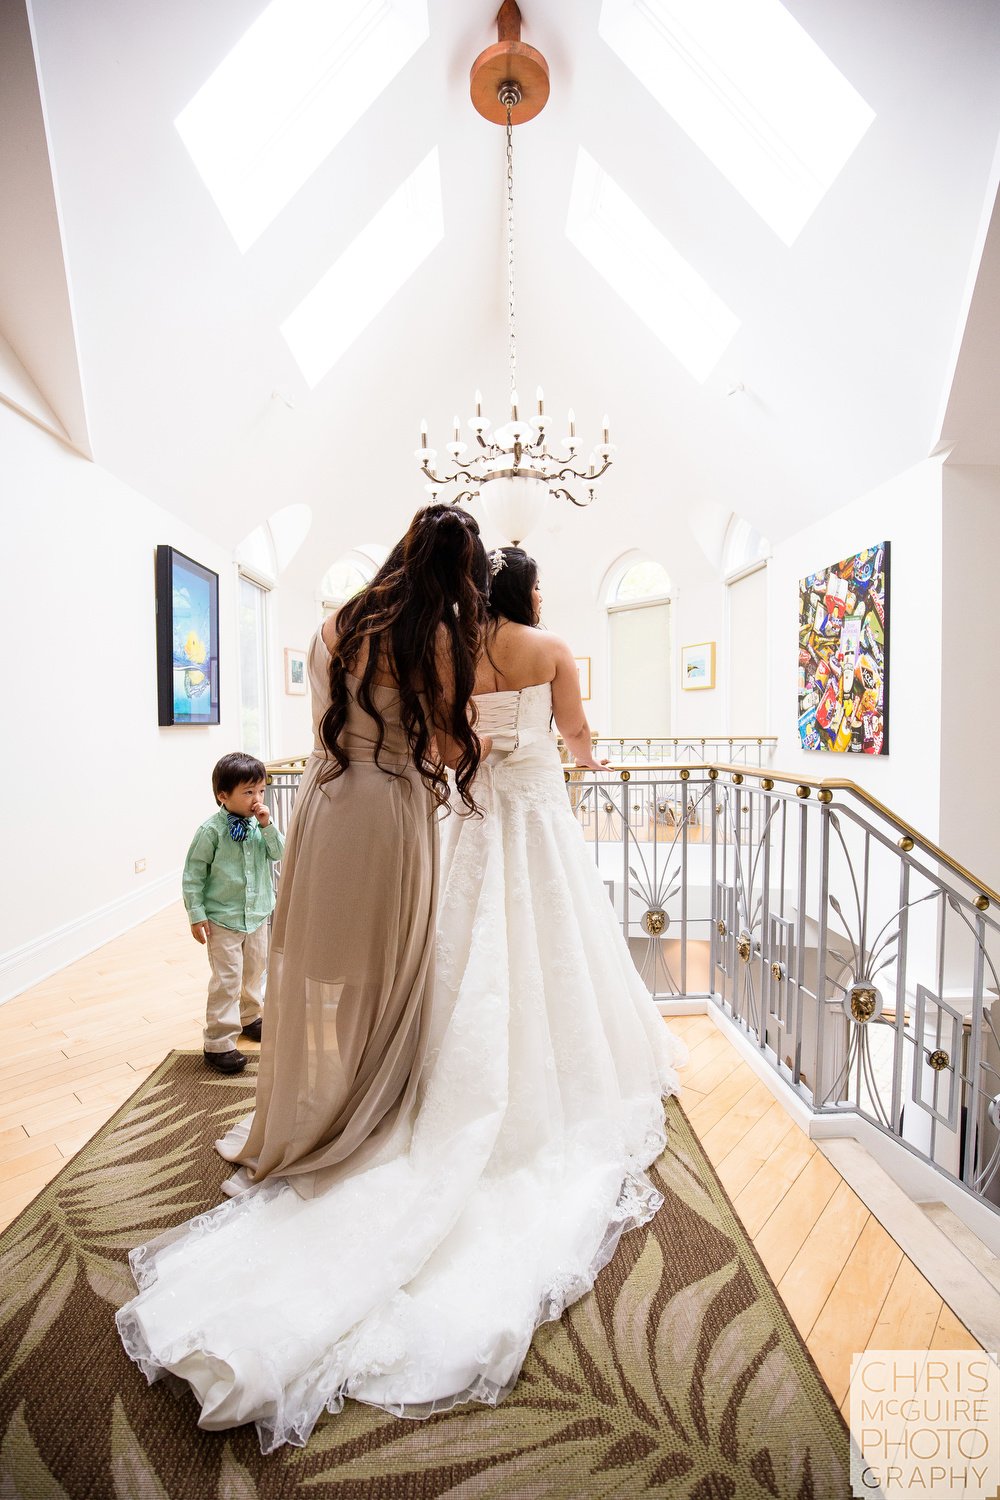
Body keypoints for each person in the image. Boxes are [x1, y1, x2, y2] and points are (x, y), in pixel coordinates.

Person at [116, 532, 683, 1455]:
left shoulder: (361, 628)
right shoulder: (501, 647)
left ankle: (349, 1088)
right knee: (533, 954)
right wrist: (548, 758)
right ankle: (444, 1088)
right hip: (494, 811)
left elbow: (441, 731)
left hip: (356, 801)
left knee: (423, 960)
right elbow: (542, 741)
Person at [182, 752, 285, 1074]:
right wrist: (197, 914)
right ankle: (218, 1042)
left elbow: (279, 852)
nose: (257, 799)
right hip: (222, 919)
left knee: (255, 970)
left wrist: (267, 825)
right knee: (227, 979)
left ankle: (249, 1017)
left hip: (255, 915)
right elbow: (193, 874)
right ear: (222, 796)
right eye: (248, 792)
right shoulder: (210, 831)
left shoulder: (260, 826)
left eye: (261, 791)